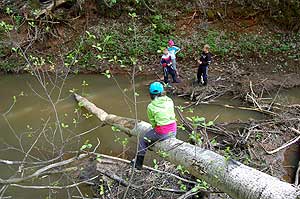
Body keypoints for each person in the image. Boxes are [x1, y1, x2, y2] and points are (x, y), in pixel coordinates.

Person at [131, 82, 177, 170]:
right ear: (162, 92)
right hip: (173, 129)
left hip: (162, 132)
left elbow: (153, 123)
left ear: (151, 94)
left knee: (143, 140)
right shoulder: (169, 100)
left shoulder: (151, 106)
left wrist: (155, 130)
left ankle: (138, 164)